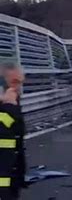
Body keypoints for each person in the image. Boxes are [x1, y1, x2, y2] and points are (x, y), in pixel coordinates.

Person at [0, 63, 26, 200]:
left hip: (10, 179)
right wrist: (9, 106)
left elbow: (16, 134)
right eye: (14, 82)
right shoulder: (8, 105)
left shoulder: (11, 103)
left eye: (21, 83)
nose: (18, 88)